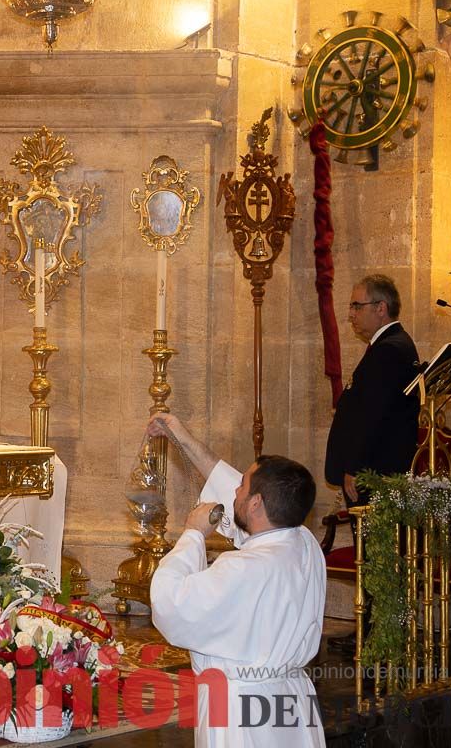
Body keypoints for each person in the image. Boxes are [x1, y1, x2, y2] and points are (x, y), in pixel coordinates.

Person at [147, 412, 325, 748]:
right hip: (291, 701)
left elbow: (170, 603)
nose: (234, 490)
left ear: (256, 502)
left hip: (243, 712)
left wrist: (193, 535)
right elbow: (249, 516)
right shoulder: (304, 545)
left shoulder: (240, 569)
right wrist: (181, 436)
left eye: (242, 485)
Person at [325, 274, 420, 507]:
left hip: (373, 473)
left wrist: (355, 467)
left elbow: (373, 416)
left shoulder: (390, 349)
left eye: (357, 306)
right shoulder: (391, 344)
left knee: (368, 543)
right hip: (375, 469)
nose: (351, 314)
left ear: (381, 308)